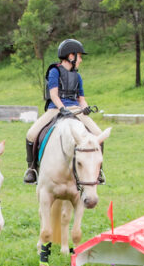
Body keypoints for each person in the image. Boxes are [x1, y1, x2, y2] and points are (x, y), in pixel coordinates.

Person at [23, 38, 104, 184]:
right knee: (31, 134)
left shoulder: (77, 76)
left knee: (99, 134)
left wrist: (84, 107)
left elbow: (81, 98)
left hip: (75, 109)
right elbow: (54, 95)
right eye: (79, 56)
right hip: (56, 109)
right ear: (71, 56)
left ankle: (98, 171)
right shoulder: (54, 71)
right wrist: (62, 109)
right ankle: (32, 169)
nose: (81, 60)